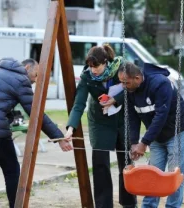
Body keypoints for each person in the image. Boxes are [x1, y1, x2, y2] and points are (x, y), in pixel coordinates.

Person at [0, 57, 72, 208]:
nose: (35, 80)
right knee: (12, 171)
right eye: (35, 75)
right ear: (27, 67)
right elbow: (37, 114)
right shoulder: (21, 81)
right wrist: (59, 137)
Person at [64, 44, 137, 208]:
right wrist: (70, 128)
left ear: (106, 62)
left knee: (126, 162)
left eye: (96, 66)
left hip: (122, 119)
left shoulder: (122, 68)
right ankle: (104, 205)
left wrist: (115, 99)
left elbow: (131, 89)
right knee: (100, 163)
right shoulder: (87, 77)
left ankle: (129, 203)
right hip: (100, 122)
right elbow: (78, 104)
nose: (93, 70)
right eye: (90, 66)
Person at [117, 62, 184, 208]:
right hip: (156, 134)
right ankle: (149, 206)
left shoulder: (160, 83)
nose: (123, 86)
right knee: (152, 173)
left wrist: (144, 142)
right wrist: (134, 142)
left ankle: (172, 206)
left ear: (138, 78)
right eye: (121, 82)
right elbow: (132, 117)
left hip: (178, 130)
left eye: (125, 82)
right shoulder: (129, 90)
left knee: (174, 173)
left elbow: (161, 115)